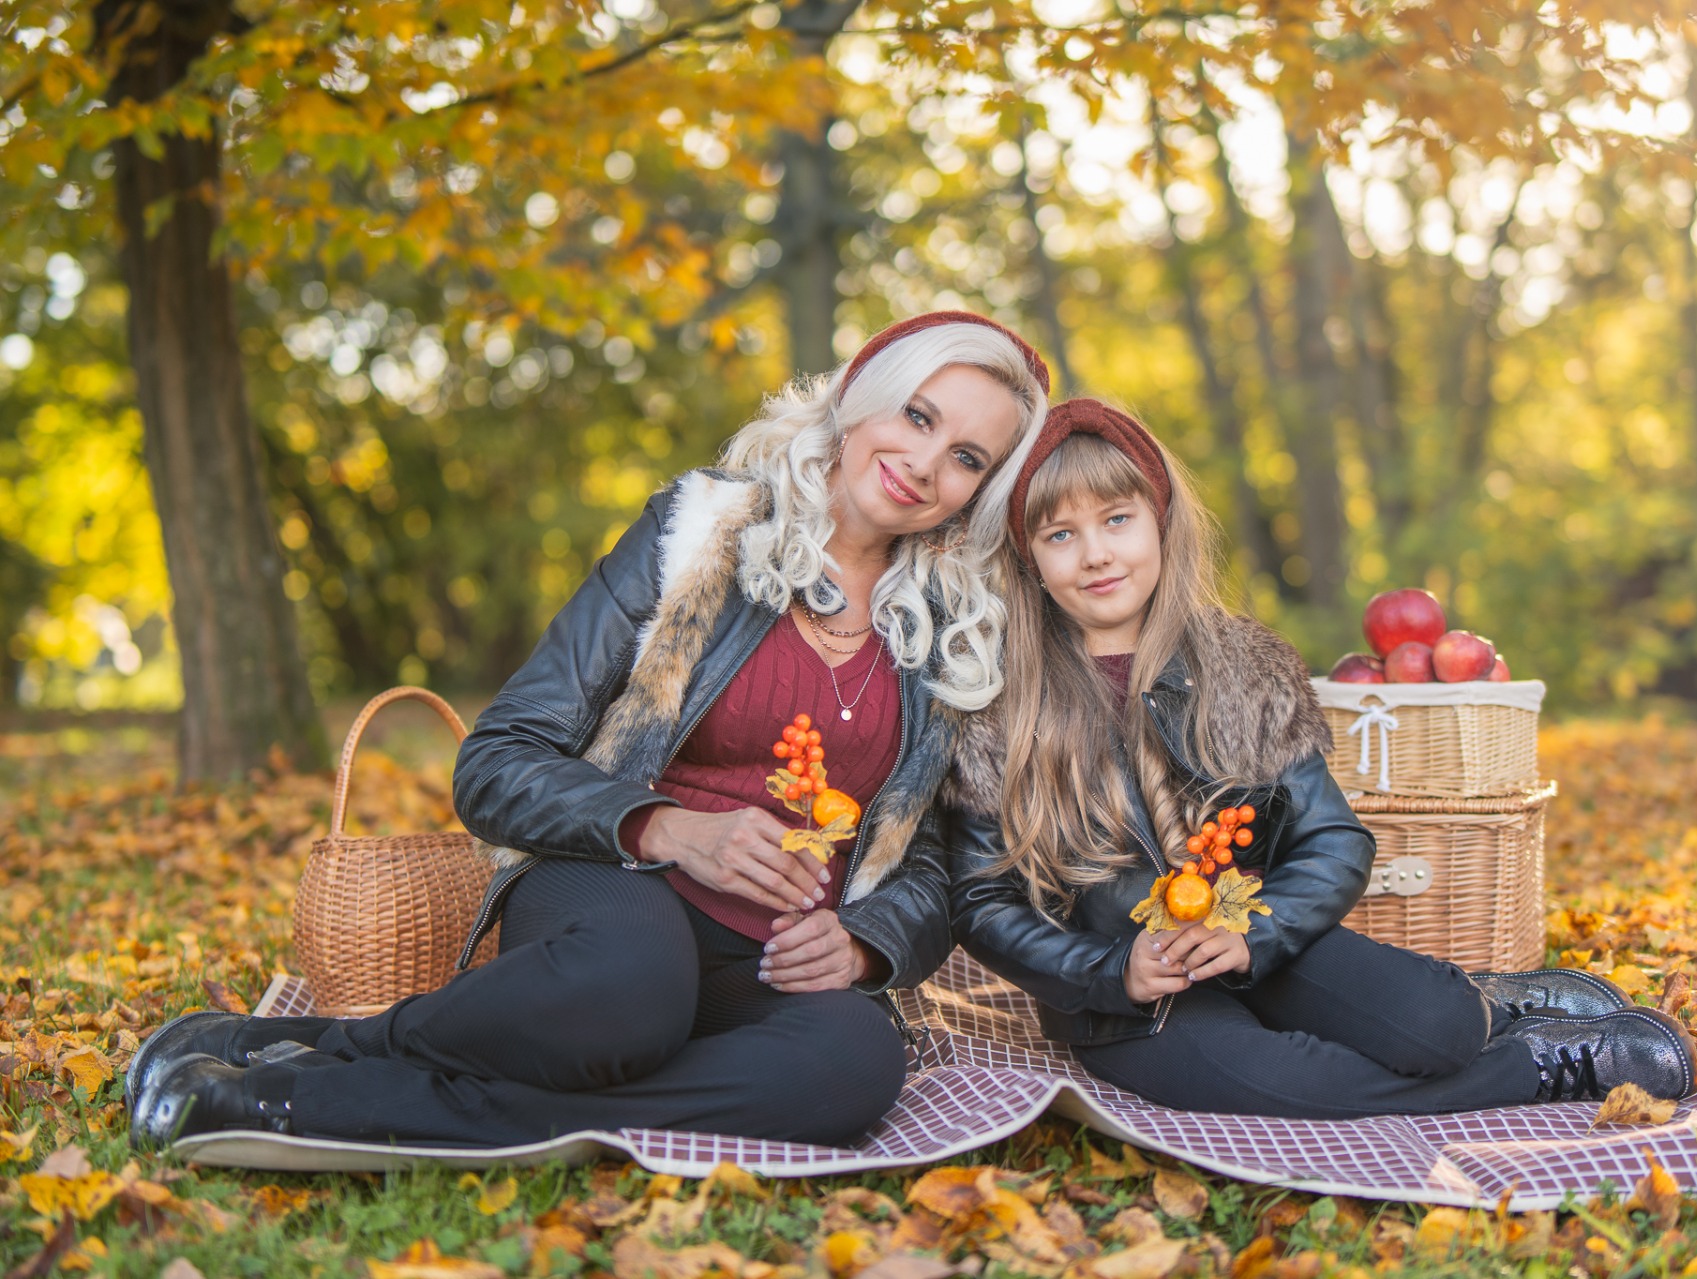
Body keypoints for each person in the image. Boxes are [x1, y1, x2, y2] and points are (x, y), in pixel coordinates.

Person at [127, 312, 1052, 1150]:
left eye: (970, 457)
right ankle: (333, 1049)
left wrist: (867, 940)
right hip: (615, 891)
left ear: (980, 490)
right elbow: (495, 762)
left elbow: (930, 858)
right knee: (628, 994)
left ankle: (331, 1091)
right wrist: (667, 827)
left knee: (854, 1063)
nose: (928, 464)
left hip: (766, 954)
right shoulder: (700, 532)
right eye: (919, 417)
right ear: (862, 402)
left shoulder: (953, 629)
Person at [943, 398, 1697, 1118]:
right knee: (1283, 1081)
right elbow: (983, 901)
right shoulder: (1001, 700)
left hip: (1260, 943)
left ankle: (1494, 1005)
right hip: (1127, 999)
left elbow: (1334, 838)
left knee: (1438, 1027)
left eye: (1116, 519)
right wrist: (1110, 973)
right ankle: (1536, 1064)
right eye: (1061, 534)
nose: (1097, 554)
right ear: (1029, 556)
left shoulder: (1243, 665)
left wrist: (1254, 936)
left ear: (1160, 522)